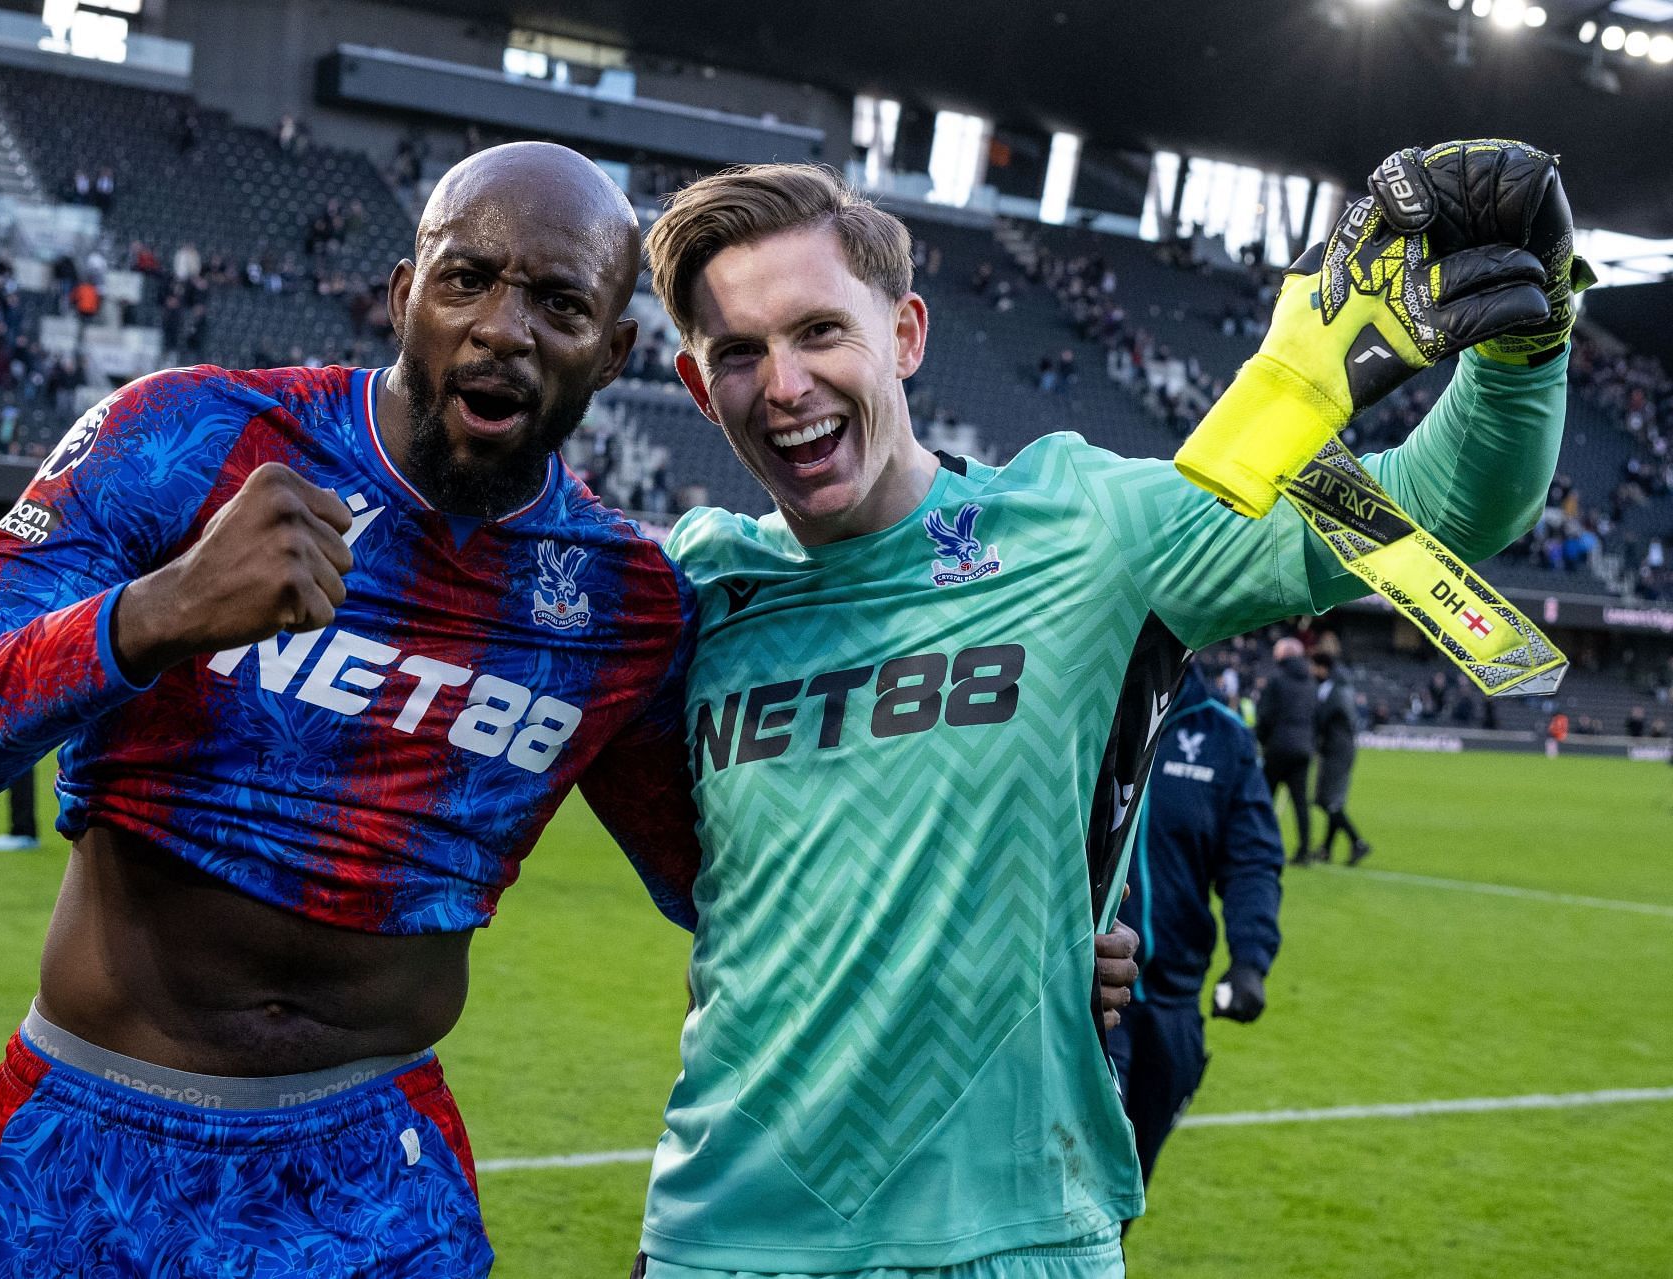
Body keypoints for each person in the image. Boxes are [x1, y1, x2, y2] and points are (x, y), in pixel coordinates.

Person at [633, 142, 1574, 1277]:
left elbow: (1442, 506)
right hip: (721, 1239)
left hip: (1016, 1238)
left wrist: (1525, 353)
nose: (783, 386)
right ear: (696, 387)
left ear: (907, 334)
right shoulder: (683, 595)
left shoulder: (1087, 528)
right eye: (739, 353)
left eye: (821, 331)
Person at [0, 141, 708, 1279]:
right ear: (403, 297)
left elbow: (725, 897)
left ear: (615, 351)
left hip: (377, 1182)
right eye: (465, 280)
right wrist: (152, 617)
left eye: (559, 301)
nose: (502, 328)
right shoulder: (186, 441)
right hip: (92, 1146)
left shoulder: (620, 601)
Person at [1107, 662, 1282, 1193]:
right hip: (1093, 1000)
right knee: (1086, 1186)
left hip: (1176, 1005)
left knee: (1131, 1190)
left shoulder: (1223, 736)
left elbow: (1251, 858)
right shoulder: (1081, 712)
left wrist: (1250, 959)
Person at [1255, 636, 1318, 863]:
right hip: (1303, 748)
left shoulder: (1277, 680)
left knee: (1263, 799)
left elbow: (1265, 715)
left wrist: (1260, 740)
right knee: (1301, 802)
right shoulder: (1311, 682)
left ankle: (1259, 845)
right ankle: (1304, 851)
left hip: (1278, 748)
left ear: (1283, 654)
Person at [1310, 650, 1370, 865]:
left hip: (1336, 750)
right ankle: (1326, 849)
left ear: (1322, 667)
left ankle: (1358, 842)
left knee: (1327, 800)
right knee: (1331, 801)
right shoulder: (1341, 688)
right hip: (1340, 749)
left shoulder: (1332, 691)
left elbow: (1326, 718)